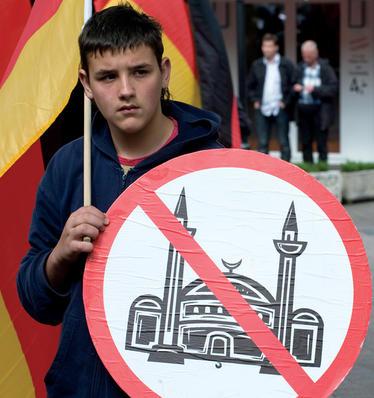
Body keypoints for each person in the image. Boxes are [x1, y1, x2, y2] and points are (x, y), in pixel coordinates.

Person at [17, 4, 221, 397]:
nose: (125, 90)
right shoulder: (69, 166)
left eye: (139, 72)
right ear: (86, 83)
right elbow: (36, 303)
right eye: (108, 77)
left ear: (163, 72)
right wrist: (59, 257)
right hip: (79, 387)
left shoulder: (211, 166)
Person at [247, 33, 295, 161]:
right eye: (264, 46)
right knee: (262, 142)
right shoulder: (257, 65)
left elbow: (293, 85)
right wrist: (255, 100)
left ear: (276, 47)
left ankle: (287, 172)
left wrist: (286, 101)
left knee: (283, 141)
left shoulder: (286, 64)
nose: (267, 49)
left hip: (280, 107)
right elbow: (249, 85)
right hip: (262, 108)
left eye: (269, 46)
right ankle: (263, 172)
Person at [293, 40, 338, 163]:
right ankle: (307, 169)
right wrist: (295, 88)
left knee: (321, 141)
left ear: (315, 53)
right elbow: (290, 85)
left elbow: (333, 89)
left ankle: (322, 167)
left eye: (309, 55)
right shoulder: (299, 68)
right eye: (304, 55)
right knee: (305, 141)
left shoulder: (325, 69)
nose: (306, 58)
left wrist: (315, 90)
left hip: (320, 110)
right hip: (303, 110)